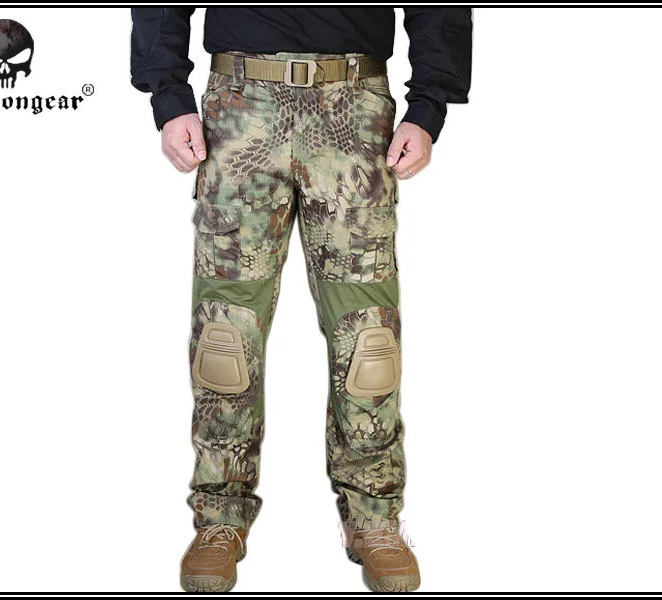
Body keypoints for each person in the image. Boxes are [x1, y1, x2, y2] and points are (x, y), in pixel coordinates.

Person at [130, 7, 472, 592]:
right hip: (240, 106)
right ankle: (219, 516)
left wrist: (429, 105)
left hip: (355, 106)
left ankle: (374, 518)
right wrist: (169, 94)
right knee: (225, 333)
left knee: (368, 336)